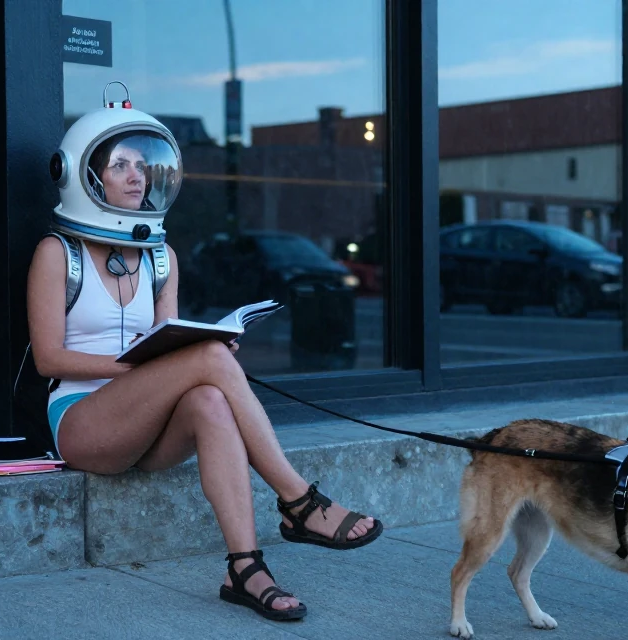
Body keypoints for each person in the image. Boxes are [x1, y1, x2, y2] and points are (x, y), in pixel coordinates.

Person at [27, 84, 382, 622]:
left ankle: (244, 568)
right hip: (83, 421)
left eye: (141, 166)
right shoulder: (57, 254)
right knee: (210, 363)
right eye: (119, 165)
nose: (135, 176)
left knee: (212, 398)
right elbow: (48, 359)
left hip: (148, 422)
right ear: (84, 175)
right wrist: (149, 364)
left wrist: (191, 348)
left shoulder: (160, 256)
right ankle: (298, 501)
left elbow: (166, 343)